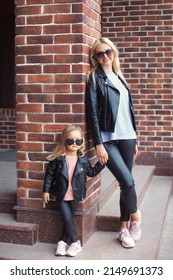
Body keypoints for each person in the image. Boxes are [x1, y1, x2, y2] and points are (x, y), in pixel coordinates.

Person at [85, 37, 141, 249]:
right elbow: (92, 113)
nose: (105, 56)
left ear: (114, 52)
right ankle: (137, 217)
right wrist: (98, 144)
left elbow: (128, 111)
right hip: (108, 140)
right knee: (127, 182)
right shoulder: (94, 78)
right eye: (100, 54)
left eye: (108, 51)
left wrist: (135, 137)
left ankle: (124, 229)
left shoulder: (120, 76)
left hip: (127, 137)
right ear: (95, 58)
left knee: (125, 185)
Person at [43, 125, 105, 257]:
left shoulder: (83, 159)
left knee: (68, 220)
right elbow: (49, 175)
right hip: (61, 195)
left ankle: (62, 242)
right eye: (70, 141)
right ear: (64, 141)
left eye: (78, 141)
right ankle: (76, 243)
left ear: (82, 142)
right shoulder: (58, 159)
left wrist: (102, 163)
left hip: (76, 195)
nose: (74, 144)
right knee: (66, 218)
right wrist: (46, 191)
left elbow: (91, 172)